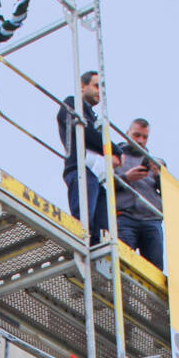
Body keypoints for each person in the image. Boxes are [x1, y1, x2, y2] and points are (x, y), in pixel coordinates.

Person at [57, 71, 113, 242]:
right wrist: (114, 151)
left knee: (102, 232)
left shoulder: (92, 117)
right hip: (81, 169)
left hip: (96, 175)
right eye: (96, 86)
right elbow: (85, 133)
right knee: (83, 224)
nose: (99, 92)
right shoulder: (72, 104)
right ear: (82, 86)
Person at [115, 118, 164, 269]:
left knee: (154, 270)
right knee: (121, 265)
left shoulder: (156, 162)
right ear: (127, 134)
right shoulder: (113, 155)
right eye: (136, 135)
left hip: (151, 219)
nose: (141, 140)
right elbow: (101, 182)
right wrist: (126, 178)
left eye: (144, 137)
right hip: (124, 216)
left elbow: (169, 194)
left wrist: (158, 175)